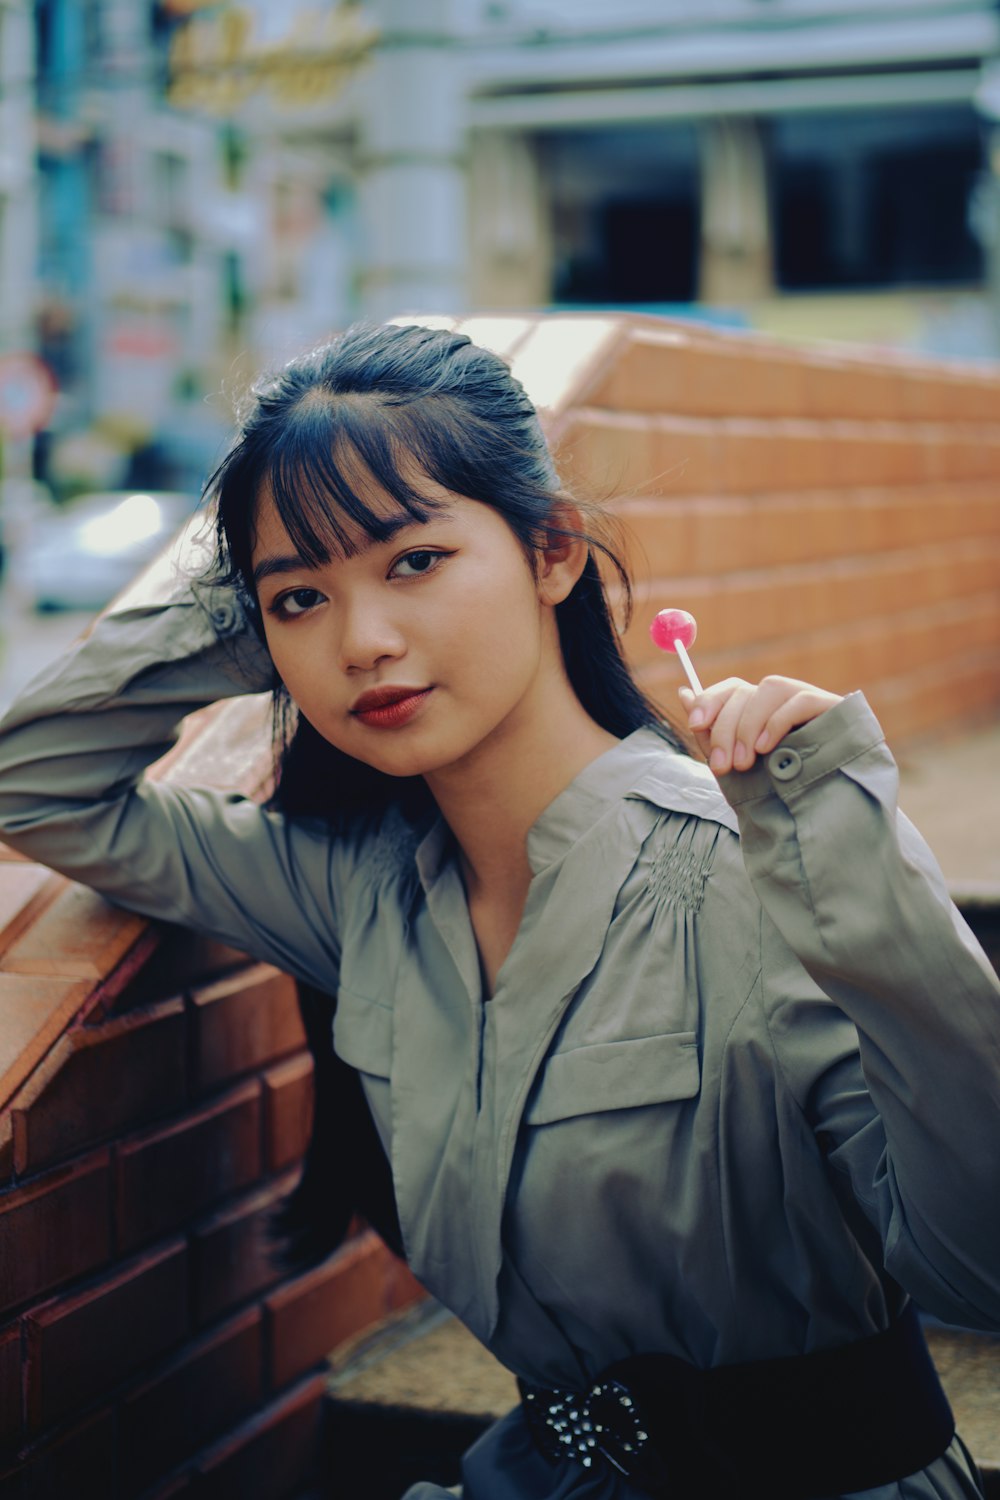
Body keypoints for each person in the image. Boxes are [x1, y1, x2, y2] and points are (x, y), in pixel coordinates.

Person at [0, 321, 997, 1500]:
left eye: (414, 561)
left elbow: (977, 1273)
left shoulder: (759, 869)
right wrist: (249, 593)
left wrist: (863, 876)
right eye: (305, 599)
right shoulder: (358, 892)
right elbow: (36, 781)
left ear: (552, 552)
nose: (364, 644)